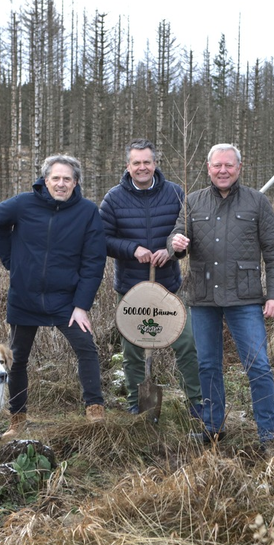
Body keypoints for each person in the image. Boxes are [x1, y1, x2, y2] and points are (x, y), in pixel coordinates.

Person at [168, 143, 274, 449]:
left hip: (245, 297)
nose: (223, 171)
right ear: (208, 169)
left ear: (239, 168)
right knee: (207, 365)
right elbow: (175, 241)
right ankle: (212, 427)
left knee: (258, 365)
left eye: (229, 166)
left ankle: (267, 434)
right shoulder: (192, 202)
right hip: (203, 297)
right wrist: (176, 244)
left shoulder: (257, 202)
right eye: (217, 166)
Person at [0, 154, 107, 434]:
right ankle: (17, 419)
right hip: (25, 297)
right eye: (56, 178)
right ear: (45, 180)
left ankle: (95, 410)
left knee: (86, 348)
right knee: (16, 358)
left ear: (76, 182)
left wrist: (81, 305)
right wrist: (12, 262)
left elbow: (94, 261)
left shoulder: (87, 212)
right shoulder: (22, 204)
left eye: (67, 179)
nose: (61, 184)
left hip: (66, 300)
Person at [99, 139, 202, 417]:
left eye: (147, 162)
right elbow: (103, 240)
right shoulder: (113, 199)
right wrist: (133, 249)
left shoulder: (175, 194)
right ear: (128, 166)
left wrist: (169, 250)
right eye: (136, 163)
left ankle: (196, 403)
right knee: (133, 350)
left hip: (169, 287)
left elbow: (186, 234)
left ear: (155, 164)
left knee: (187, 343)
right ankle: (137, 403)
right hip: (131, 289)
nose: (142, 167)